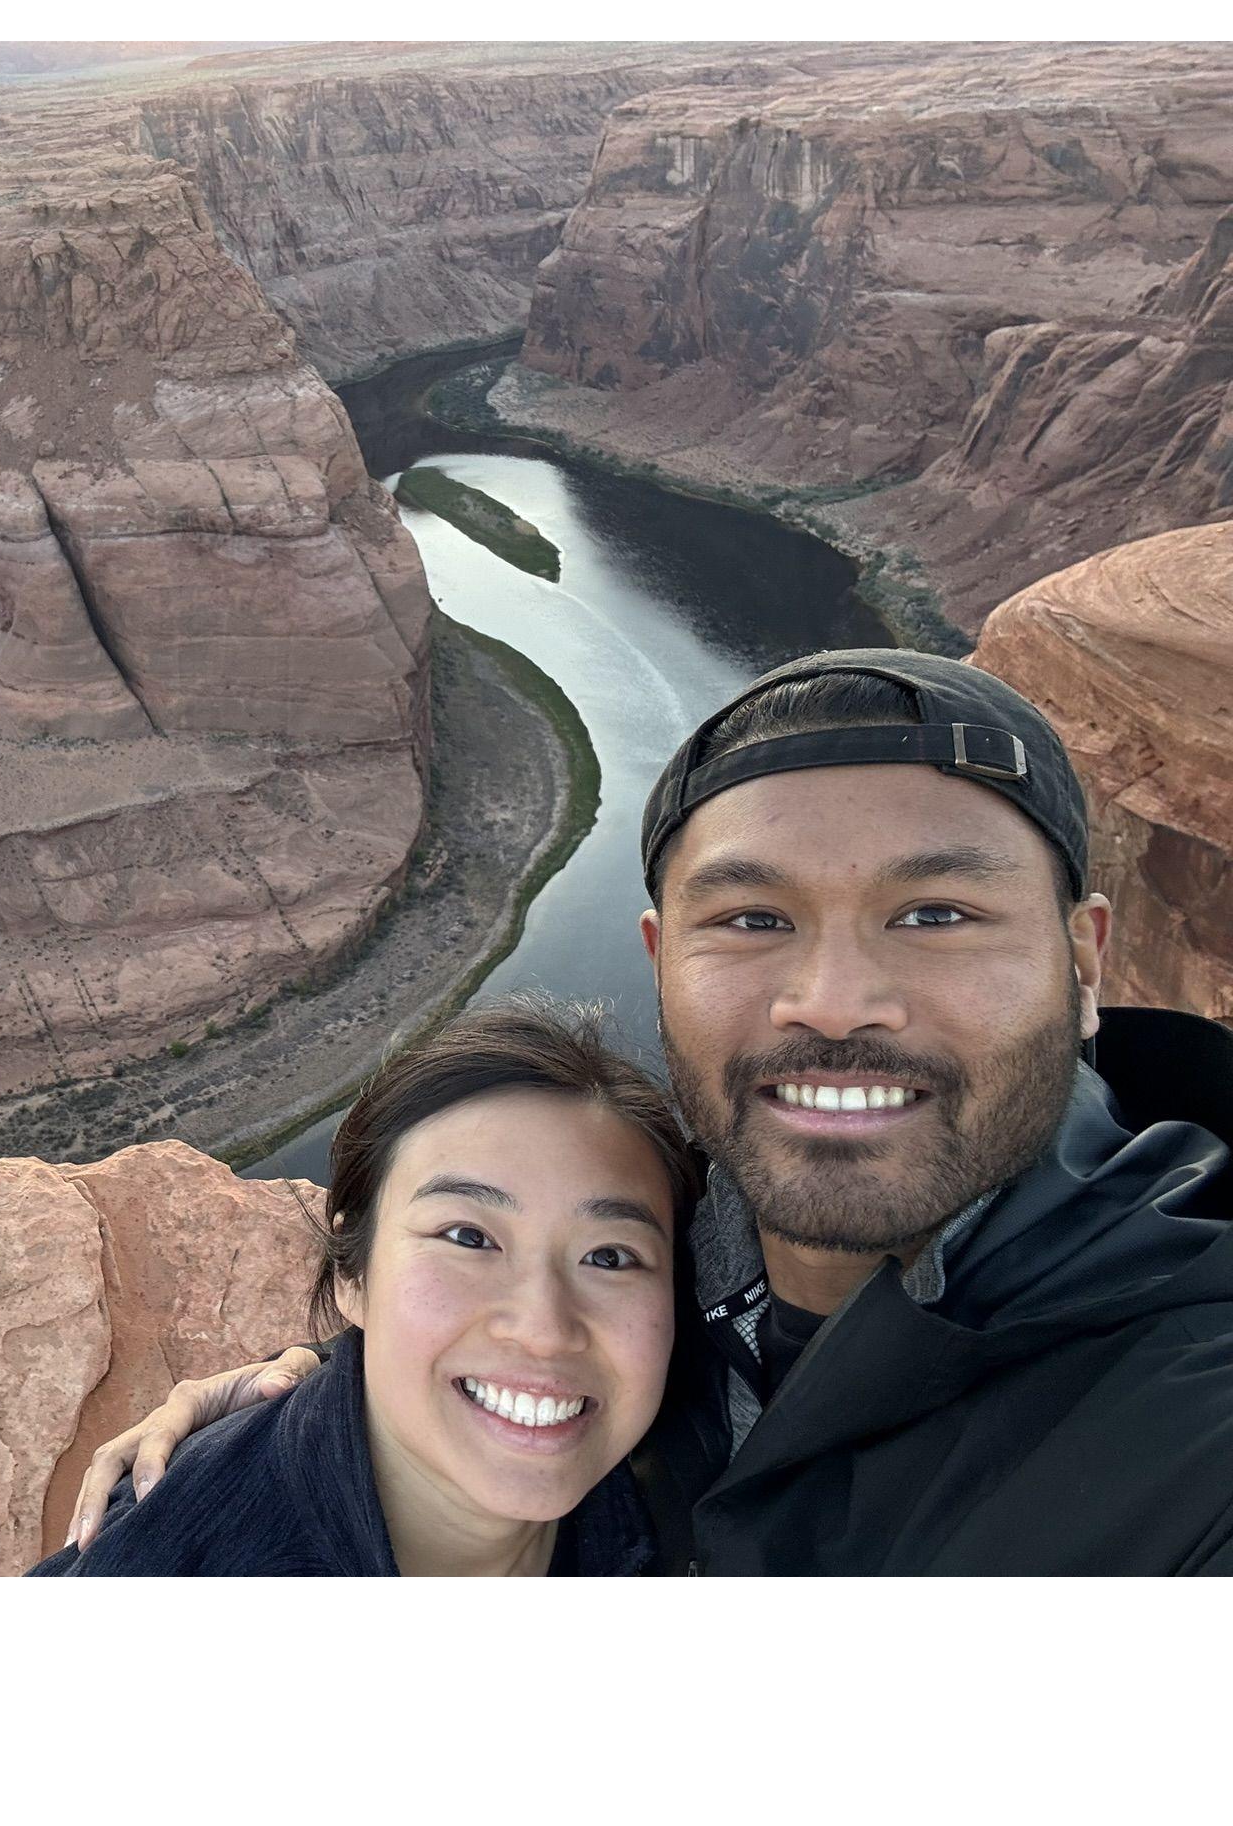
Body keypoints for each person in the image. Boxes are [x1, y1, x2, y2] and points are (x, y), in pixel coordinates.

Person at [66, 648, 1233, 1575]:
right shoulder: (657, 1257)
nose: (828, 1001)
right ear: (658, 957)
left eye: (933, 913)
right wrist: (322, 1396)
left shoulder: (1186, 1417)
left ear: (1084, 965)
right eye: (749, 919)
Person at [31, 998, 699, 1575]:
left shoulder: (682, 1471)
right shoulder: (169, 1555)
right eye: (469, 1238)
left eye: (610, 1257)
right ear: (353, 1274)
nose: (545, 1329)